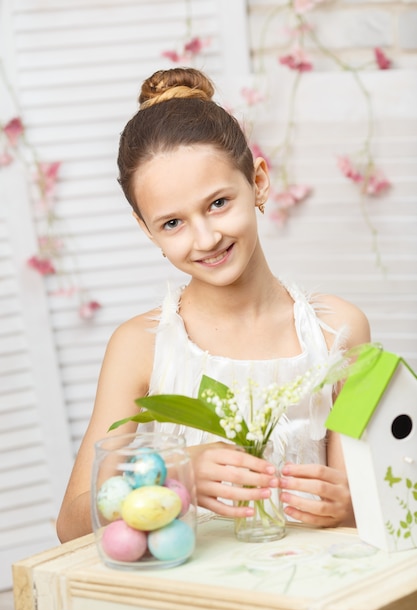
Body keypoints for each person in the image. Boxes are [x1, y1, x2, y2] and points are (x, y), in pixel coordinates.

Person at [56, 67, 370, 542]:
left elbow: (377, 503)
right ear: (147, 230)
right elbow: (72, 524)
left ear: (259, 182)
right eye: (172, 223)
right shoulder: (138, 346)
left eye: (219, 203)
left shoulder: (344, 330)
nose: (205, 238)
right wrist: (174, 476)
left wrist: (349, 505)